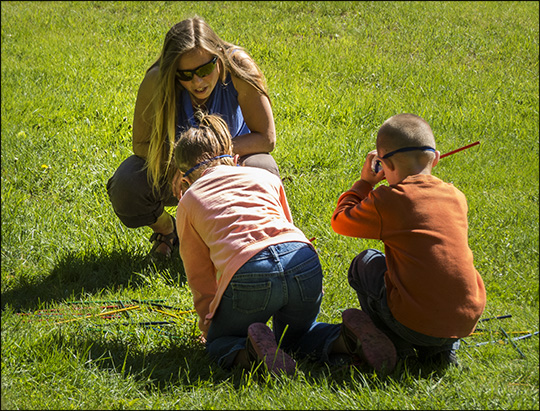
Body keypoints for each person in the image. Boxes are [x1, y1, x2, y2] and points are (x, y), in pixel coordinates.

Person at [173, 113, 397, 375]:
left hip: (249, 270)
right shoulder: (263, 176)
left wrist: (208, 324)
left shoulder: (189, 201)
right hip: (301, 258)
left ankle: (252, 353)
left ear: (185, 179)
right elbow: (287, 223)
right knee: (299, 336)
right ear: (235, 159)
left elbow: (199, 274)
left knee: (219, 343)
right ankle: (346, 337)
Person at [106, 17, 280, 257]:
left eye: (205, 70)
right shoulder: (156, 80)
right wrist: (182, 163)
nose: (197, 82)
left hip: (231, 164)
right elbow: (141, 145)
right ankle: (167, 230)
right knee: (127, 184)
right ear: (172, 72)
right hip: (177, 167)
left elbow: (266, 138)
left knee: (263, 169)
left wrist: (209, 161)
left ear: (219, 58)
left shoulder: (238, 66)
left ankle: (245, 242)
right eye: (185, 75)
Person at [331, 113, 486, 368]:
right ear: (435, 159)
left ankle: (394, 344)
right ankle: (441, 350)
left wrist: (364, 183)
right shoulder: (456, 197)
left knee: (365, 262)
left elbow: (340, 221)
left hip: (413, 323)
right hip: (463, 321)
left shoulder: (388, 200)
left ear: (384, 165)